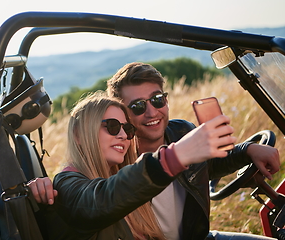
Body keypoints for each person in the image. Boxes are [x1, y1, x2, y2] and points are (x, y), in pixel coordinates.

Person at [29, 91, 239, 240]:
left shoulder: (117, 178)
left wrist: (246, 151)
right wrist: (177, 155)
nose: (122, 135)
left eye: (127, 129)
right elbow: (103, 199)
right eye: (111, 126)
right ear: (78, 135)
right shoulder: (66, 186)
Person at [105, 62, 280, 240]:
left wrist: (247, 150)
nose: (152, 113)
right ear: (123, 115)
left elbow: (207, 165)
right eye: (138, 106)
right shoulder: (116, 160)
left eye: (157, 99)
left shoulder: (182, 131)